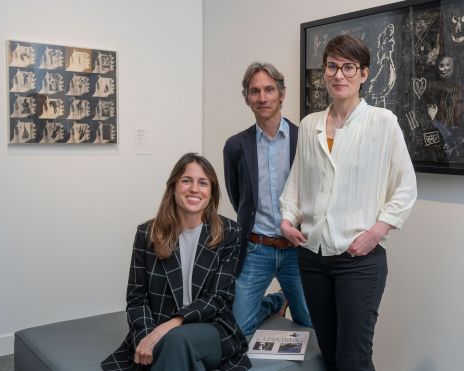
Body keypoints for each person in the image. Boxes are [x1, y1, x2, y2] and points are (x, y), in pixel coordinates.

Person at [280, 35, 417, 371]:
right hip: (312, 258)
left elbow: (406, 188)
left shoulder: (382, 123)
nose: (338, 75)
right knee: (329, 353)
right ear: (324, 72)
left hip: (359, 260)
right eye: (332, 67)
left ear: (364, 74)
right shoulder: (311, 124)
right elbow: (297, 183)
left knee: (353, 359)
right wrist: (287, 219)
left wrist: (375, 233)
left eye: (348, 67)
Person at [101, 153, 251, 371]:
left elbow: (219, 299)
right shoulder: (147, 234)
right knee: (180, 351)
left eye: (203, 183)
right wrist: (147, 336)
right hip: (159, 332)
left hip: (211, 328)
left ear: (211, 192)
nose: (194, 189)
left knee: (177, 339)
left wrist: (170, 326)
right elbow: (136, 299)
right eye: (186, 180)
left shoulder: (229, 232)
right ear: (173, 187)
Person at [223, 62, 312, 336]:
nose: (262, 98)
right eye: (255, 91)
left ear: (282, 94)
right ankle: (275, 301)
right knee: (237, 330)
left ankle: (284, 297)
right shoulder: (236, 145)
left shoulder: (304, 138)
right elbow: (238, 197)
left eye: (269, 90)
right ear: (246, 98)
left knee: (312, 324)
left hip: (296, 250)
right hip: (256, 249)